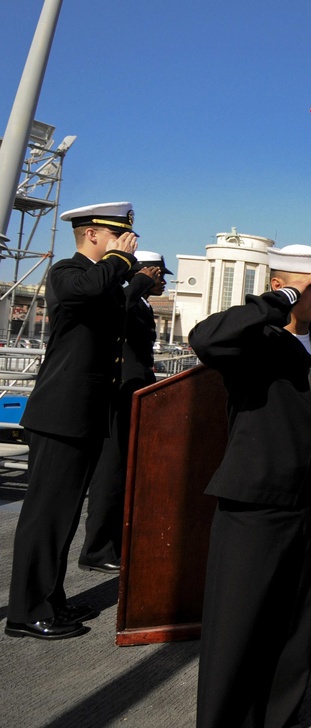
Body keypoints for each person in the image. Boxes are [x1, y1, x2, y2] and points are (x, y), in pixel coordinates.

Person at [189, 244, 311, 728]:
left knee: (293, 623)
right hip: (254, 500)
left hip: (304, 504)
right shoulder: (255, 341)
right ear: (284, 286)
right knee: (236, 626)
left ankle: (279, 716)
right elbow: (206, 338)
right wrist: (277, 302)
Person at [5, 202, 138, 640]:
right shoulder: (67, 272)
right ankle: (26, 612)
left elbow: (110, 300)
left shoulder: (101, 279)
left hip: (82, 416)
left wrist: (127, 271)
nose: (127, 243)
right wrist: (119, 260)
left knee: (61, 518)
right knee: (45, 517)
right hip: (60, 415)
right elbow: (89, 291)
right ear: (94, 235)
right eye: (118, 237)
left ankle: (50, 598)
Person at [79, 251, 168, 573]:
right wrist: (140, 280)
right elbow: (122, 310)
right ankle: (97, 549)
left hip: (136, 393)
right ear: (145, 272)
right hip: (120, 395)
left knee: (123, 474)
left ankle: (114, 543)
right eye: (159, 274)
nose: (163, 280)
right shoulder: (125, 298)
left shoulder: (141, 303)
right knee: (111, 474)